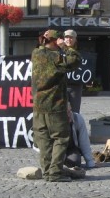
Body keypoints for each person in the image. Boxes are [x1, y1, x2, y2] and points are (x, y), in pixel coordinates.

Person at [31, 29, 81, 182]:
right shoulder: (56, 58)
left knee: (43, 139)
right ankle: (55, 172)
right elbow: (75, 60)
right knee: (60, 138)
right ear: (56, 41)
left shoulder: (36, 53)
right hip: (55, 104)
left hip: (39, 105)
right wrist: (66, 47)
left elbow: (42, 48)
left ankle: (47, 171)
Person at [64, 103, 95, 169]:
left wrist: (90, 162)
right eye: (65, 113)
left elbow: (84, 141)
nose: (68, 115)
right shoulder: (53, 121)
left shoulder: (78, 118)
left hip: (71, 148)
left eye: (69, 112)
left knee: (75, 161)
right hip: (55, 150)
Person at [63, 29, 84, 113]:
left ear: (75, 39)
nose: (68, 39)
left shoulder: (78, 52)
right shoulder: (58, 51)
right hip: (61, 85)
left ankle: (74, 126)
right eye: (66, 37)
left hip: (75, 86)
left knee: (75, 111)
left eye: (71, 37)